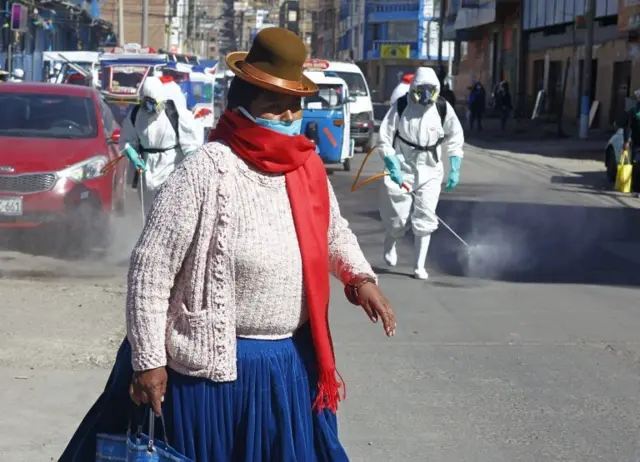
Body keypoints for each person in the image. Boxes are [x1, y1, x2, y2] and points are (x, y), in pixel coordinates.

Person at [59, 27, 396, 462]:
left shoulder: (307, 166)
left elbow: (333, 231)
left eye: (294, 105)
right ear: (244, 103)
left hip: (286, 369)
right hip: (211, 380)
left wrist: (360, 278)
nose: (287, 116)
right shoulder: (205, 172)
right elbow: (151, 268)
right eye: (275, 106)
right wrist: (148, 360)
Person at [378, 66, 465, 280]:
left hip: (430, 169)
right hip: (403, 167)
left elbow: (455, 136)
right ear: (413, 89)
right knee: (397, 218)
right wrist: (391, 162)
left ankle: (419, 266)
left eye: (431, 90)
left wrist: (455, 165)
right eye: (421, 90)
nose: (426, 96)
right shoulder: (401, 106)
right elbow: (384, 138)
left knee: (425, 216)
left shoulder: (443, 108)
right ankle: (391, 241)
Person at [119, 76, 202, 217]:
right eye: (146, 103)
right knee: (148, 214)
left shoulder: (176, 115)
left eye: (153, 103)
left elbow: (192, 145)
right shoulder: (135, 116)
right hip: (146, 174)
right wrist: (132, 154)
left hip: (171, 171)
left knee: (170, 213)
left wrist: (191, 166)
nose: (149, 108)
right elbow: (127, 140)